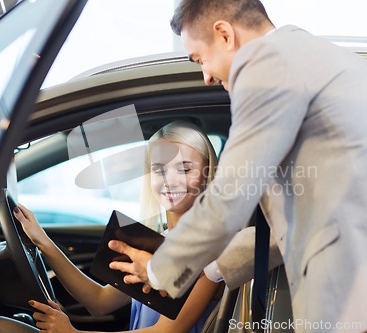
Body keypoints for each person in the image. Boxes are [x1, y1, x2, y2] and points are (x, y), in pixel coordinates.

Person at [107, 0, 367, 332]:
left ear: (224, 34)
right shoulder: (329, 62)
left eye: (200, 59)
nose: (206, 76)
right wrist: (212, 268)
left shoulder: (268, 67)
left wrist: (159, 269)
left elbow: (229, 197)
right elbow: (302, 218)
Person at [13, 120, 223, 333]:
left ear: (207, 173)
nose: (170, 181)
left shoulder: (212, 248)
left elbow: (167, 331)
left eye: (185, 169)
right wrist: (44, 243)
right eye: (159, 170)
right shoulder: (157, 242)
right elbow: (99, 301)